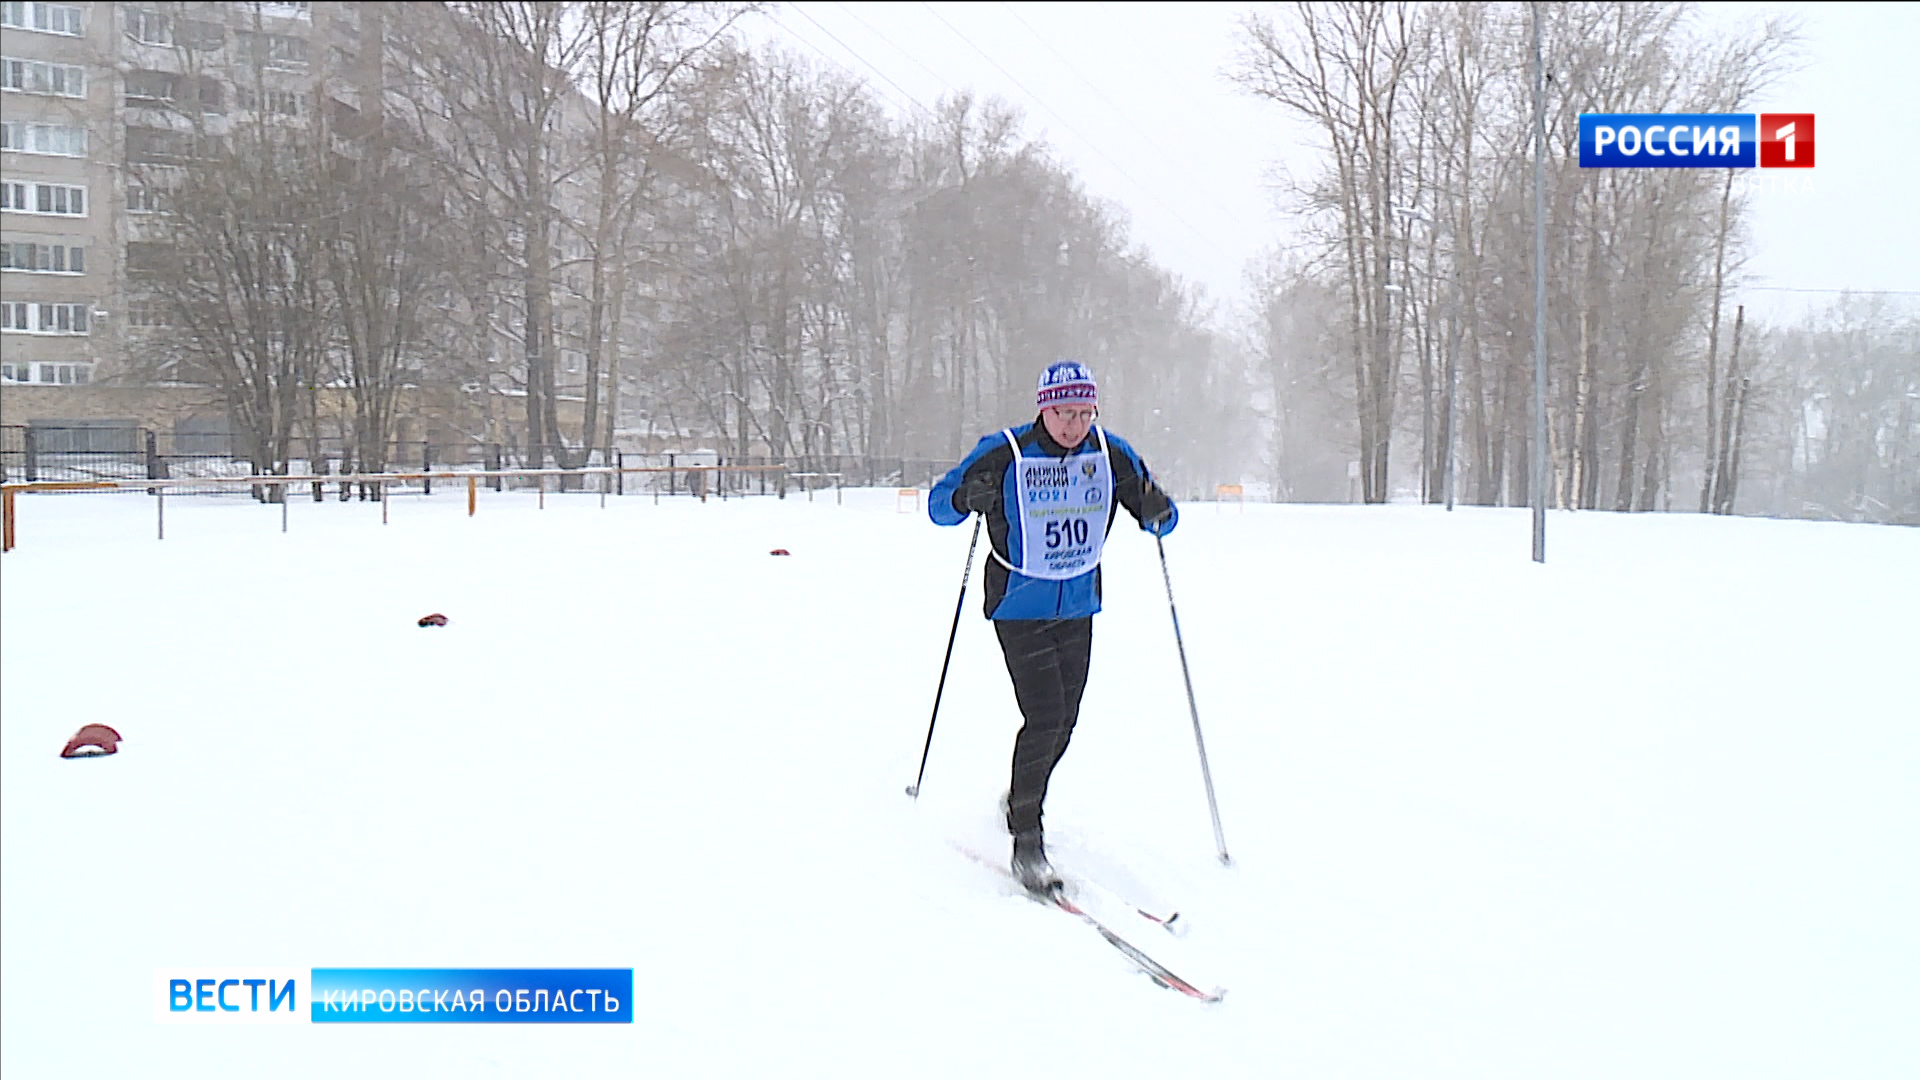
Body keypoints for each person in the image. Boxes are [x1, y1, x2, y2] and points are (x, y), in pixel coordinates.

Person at [929, 360, 1178, 894]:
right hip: (1019, 604)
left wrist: (1158, 509)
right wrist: (964, 497)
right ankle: (1026, 838)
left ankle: (1021, 792)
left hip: (1080, 603)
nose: (1074, 424)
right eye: (1065, 412)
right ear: (1044, 406)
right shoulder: (1006, 451)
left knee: (1066, 719)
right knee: (1043, 717)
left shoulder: (1111, 453)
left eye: (1085, 412)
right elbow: (938, 508)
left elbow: (1161, 514)